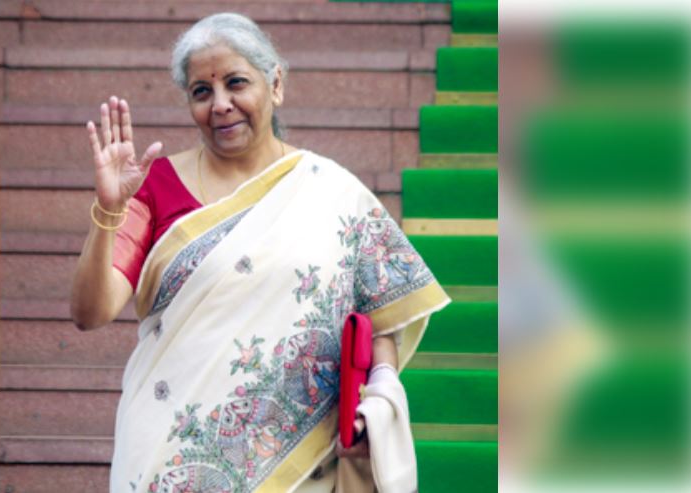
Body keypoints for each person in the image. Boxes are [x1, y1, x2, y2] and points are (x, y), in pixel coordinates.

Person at [70, 13, 450, 492]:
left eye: (236, 83)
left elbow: (381, 318)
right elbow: (91, 312)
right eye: (201, 91)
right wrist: (108, 210)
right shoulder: (156, 186)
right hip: (170, 457)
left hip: (299, 467)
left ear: (276, 85)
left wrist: (379, 395)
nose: (220, 104)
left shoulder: (332, 191)